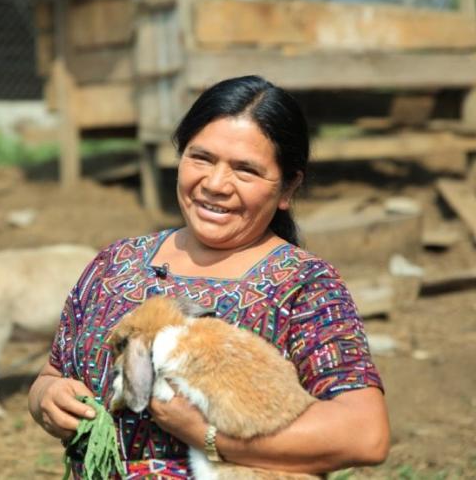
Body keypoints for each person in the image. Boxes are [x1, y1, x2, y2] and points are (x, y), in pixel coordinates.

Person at [29, 75, 390, 478]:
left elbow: (364, 434)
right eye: (201, 158)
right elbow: (53, 373)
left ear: (288, 189)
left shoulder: (304, 287)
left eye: (246, 170)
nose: (216, 184)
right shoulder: (115, 263)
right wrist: (48, 398)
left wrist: (206, 434)